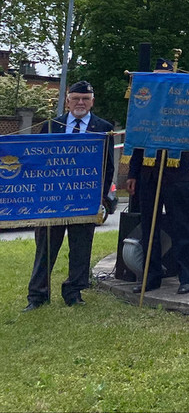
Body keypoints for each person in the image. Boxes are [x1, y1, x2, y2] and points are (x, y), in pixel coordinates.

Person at [24, 80, 115, 311]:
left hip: (85, 200)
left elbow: (108, 167)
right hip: (52, 201)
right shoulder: (52, 126)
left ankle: (73, 292)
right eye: (76, 98)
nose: (80, 103)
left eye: (85, 99)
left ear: (92, 101)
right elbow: (38, 162)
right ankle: (37, 296)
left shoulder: (103, 128)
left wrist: (101, 197)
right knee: (45, 248)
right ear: (67, 100)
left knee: (81, 248)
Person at [126, 60, 189, 295]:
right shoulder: (144, 106)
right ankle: (151, 276)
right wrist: (133, 173)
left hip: (177, 176)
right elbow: (136, 141)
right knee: (149, 229)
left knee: (182, 229)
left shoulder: (186, 105)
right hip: (149, 175)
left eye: (165, 76)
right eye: (156, 76)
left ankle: (186, 277)